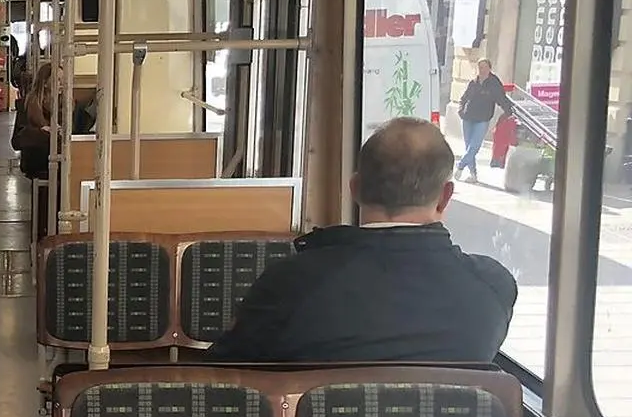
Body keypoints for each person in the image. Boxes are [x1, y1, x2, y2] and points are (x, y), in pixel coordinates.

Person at [207, 117, 517, 363]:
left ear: (354, 188)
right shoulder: (492, 288)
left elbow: (224, 375)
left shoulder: (290, 283)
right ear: (446, 196)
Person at [456, 58, 513, 182]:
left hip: (482, 119)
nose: (482, 70)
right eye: (480, 67)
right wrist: (460, 110)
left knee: (474, 147)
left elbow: (501, 98)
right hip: (468, 118)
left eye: (485, 67)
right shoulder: (474, 82)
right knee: (468, 147)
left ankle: (460, 165)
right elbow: (464, 98)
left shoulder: (494, 83)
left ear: (489, 68)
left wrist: (509, 111)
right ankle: (473, 174)